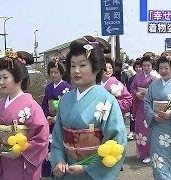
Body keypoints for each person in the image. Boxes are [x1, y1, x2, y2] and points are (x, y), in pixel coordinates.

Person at [50, 35, 127, 179]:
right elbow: (58, 136)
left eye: (82, 65)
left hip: (93, 172)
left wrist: (88, 167)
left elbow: (117, 142)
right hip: (68, 170)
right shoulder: (66, 99)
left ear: (96, 68)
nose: (76, 70)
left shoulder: (107, 101)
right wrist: (58, 159)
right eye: (73, 66)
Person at [0, 51, 50, 180]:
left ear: (18, 78)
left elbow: (41, 138)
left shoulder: (31, 106)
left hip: (23, 163)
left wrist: (21, 149)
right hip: (4, 161)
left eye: (5, 77)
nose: (1, 82)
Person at [41, 57, 72, 178]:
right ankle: (48, 172)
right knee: (48, 145)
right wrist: (46, 116)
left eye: (56, 72)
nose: (53, 74)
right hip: (49, 121)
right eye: (51, 72)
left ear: (61, 73)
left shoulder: (67, 87)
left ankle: (62, 169)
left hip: (60, 120)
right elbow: (44, 103)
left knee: (60, 144)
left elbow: (69, 107)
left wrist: (57, 117)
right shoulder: (48, 87)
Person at [130, 55, 159, 164]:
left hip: (150, 106)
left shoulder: (155, 77)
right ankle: (142, 152)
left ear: (152, 66)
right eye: (144, 66)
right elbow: (132, 87)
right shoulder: (137, 76)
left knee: (149, 130)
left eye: (148, 65)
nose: (146, 68)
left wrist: (149, 94)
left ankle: (150, 153)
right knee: (140, 129)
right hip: (139, 105)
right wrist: (136, 94)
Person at [126, 59, 142, 140]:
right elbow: (129, 89)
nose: (138, 69)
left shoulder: (149, 77)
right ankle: (132, 131)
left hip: (143, 100)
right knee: (133, 116)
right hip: (134, 99)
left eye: (140, 67)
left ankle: (140, 131)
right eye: (136, 67)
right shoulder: (132, 78)